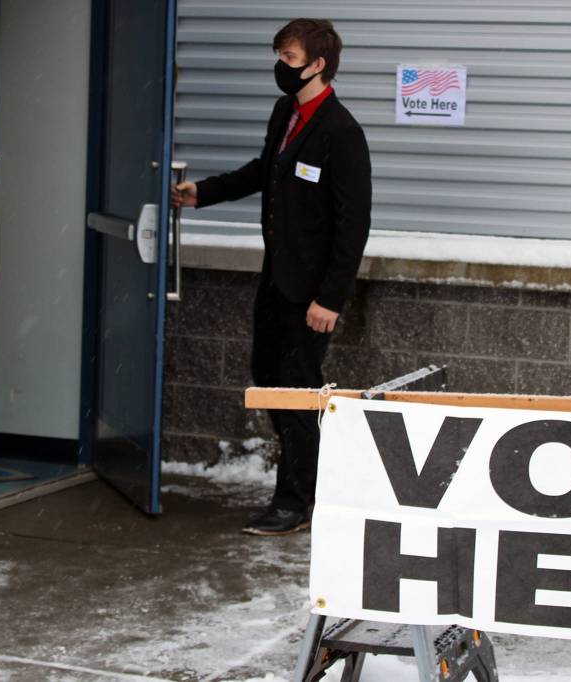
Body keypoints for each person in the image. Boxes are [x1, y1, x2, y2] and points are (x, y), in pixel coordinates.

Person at [171, 18, 372, 536]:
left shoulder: (341, 132)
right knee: (270, 381)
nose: (280, 67)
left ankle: (297, 502)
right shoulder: (287, 111)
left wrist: (330, 298)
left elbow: (354, 224)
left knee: (297, 393)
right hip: (276, 283)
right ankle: (306, 492)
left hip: (311, 297)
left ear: (318, 64)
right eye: (280, 56)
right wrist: (204, 193)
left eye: (288, 58)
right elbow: (266, 170)